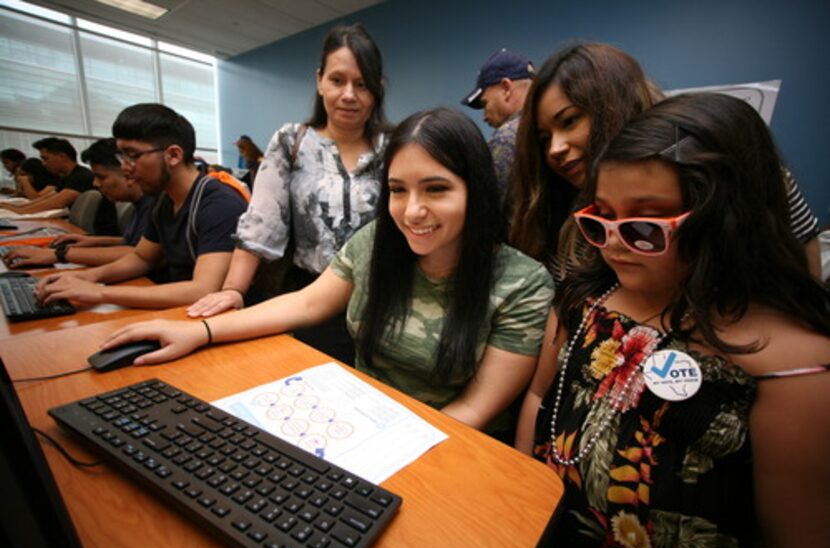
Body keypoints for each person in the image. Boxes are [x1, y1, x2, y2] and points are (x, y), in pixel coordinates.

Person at [99, 107, 555, 435]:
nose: (413, 211)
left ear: (475, 190)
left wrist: (382, 449)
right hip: (357, 426)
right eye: (398, 190)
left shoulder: (523, 284)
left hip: (443, 448)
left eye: (436, 189)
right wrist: (200, 332)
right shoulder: (378, 242)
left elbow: (475, 410)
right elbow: (305, 302)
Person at [517, 93, 830, 548]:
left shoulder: (796, 372)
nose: (614, 244)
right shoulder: (588, 298)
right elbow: (539, 395)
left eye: (644, 227)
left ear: (723, 220)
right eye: (600, 220)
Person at [509, 43, 822, 282]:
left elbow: (802, 260)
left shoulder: (726, 171)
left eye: (570, 120)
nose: (555, 149)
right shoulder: (562, 216)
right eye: (543, 138)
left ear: (614, 106)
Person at [188, 23, 391, 364]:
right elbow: (260, 222)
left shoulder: (395, 146)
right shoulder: (291, 141)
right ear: (319, 81)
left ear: (377, 89)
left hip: (384, 303)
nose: (349, 95)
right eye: (337, 80)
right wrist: (233, 290)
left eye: (362, 84)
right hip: (311, 298)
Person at [35, 104, 248, 309]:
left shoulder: (220, 203)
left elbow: (202, 290)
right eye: (121, 156)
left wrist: (100, 293)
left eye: (132, 156)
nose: (125, 168)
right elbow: (142, 258)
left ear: (173, 155)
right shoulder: (164, 199)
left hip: (212, 316)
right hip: (182, 310)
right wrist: (86, 276)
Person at [3, 138, 153, 268]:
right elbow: (136, 243)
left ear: (129, 173)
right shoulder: (141, 203)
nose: (95, 183)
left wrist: (61, 254)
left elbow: (139, 253)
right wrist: (92, 241)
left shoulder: (154, 204)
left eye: (101, 177)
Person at [461, 48, 535, 198]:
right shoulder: (550, 130)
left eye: (485, 103)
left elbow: (489, 210)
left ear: (506, 88)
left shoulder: (507, 138)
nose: (484, 117)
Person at [0, 137, 101, 216]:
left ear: (62, 156)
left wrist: (19, 211)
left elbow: (57, 203)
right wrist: (16, 207)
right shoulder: (66, 177)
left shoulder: (82, 176)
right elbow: (46, 199)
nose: (43, 164)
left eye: (45, 159)